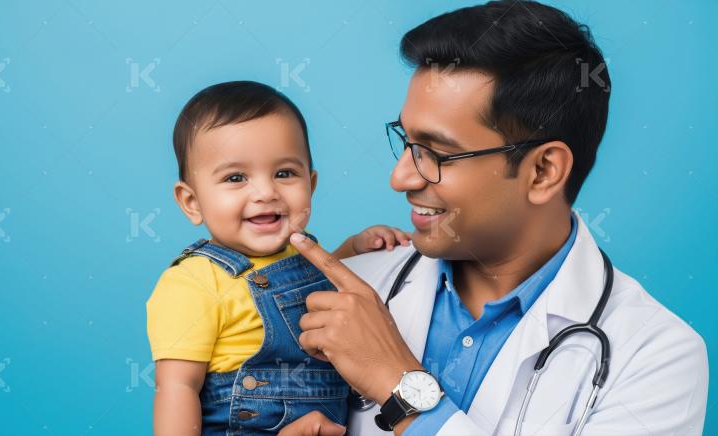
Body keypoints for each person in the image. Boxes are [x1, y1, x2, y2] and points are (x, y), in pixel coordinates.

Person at [277, 1, 708, 435]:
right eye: (406, 142)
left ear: (543, 171)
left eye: (437, 153)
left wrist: (399, 386)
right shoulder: (346, 288)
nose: (400, 177)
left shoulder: (657, 358)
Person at [145, 80, 412, 435]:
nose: (266, 192)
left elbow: (309, 282)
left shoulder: (303, 251)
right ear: (192, 202)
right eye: (236, 177)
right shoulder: (193, 282)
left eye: (284, 173)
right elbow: (177, 387)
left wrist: (353, 248)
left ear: (311, 184)